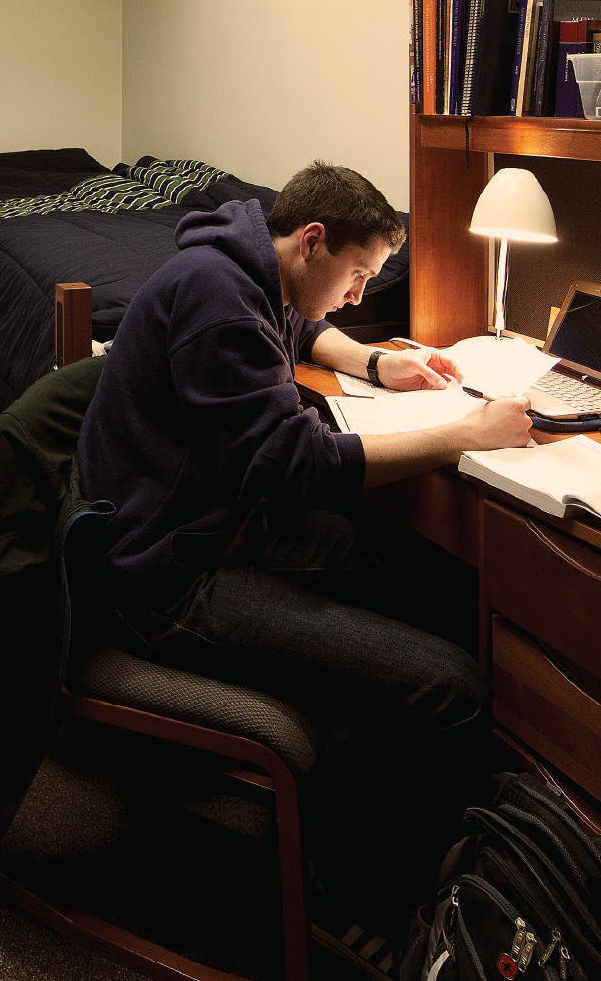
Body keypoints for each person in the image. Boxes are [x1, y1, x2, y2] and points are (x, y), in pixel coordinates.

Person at [75, 160, 533, 939]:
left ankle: (358, 809)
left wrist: (377, 359)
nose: (360, 295)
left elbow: (299, 326)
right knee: (449, 684)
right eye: (358, 274)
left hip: (214, 526)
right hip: (171, 577)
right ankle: (352, 893)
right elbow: (293, 467)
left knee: (436, 582)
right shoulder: (218, 300)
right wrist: (460, 435)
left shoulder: (242, 263)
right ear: (312, 242)